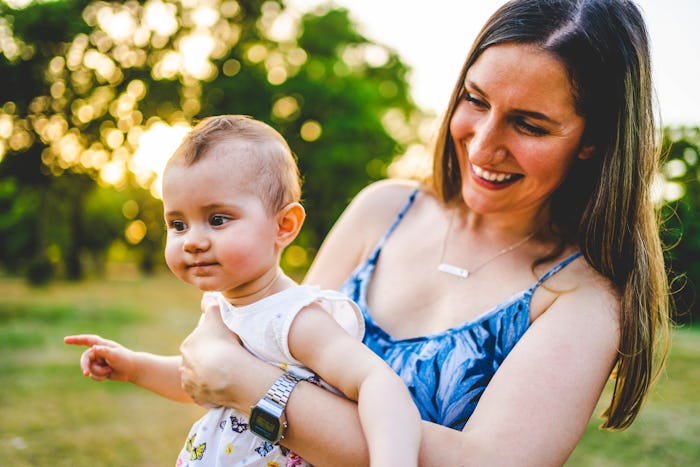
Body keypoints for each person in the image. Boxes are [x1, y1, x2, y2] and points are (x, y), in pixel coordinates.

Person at [175, 0, 673, 465]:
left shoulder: (585, 295)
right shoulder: (384, 208)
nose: (482, 146)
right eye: (475, 100)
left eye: (529, 125)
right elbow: (272, 346)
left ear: (594, 141)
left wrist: (245, 385)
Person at [64, 115, 421, 466]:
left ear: (284, 226)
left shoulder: (293, 319)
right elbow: (203, 378)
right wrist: (134, 367)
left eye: (217, 219)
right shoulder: (222, 309)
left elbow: (376, 380)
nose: (193, 241)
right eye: (177, 224)